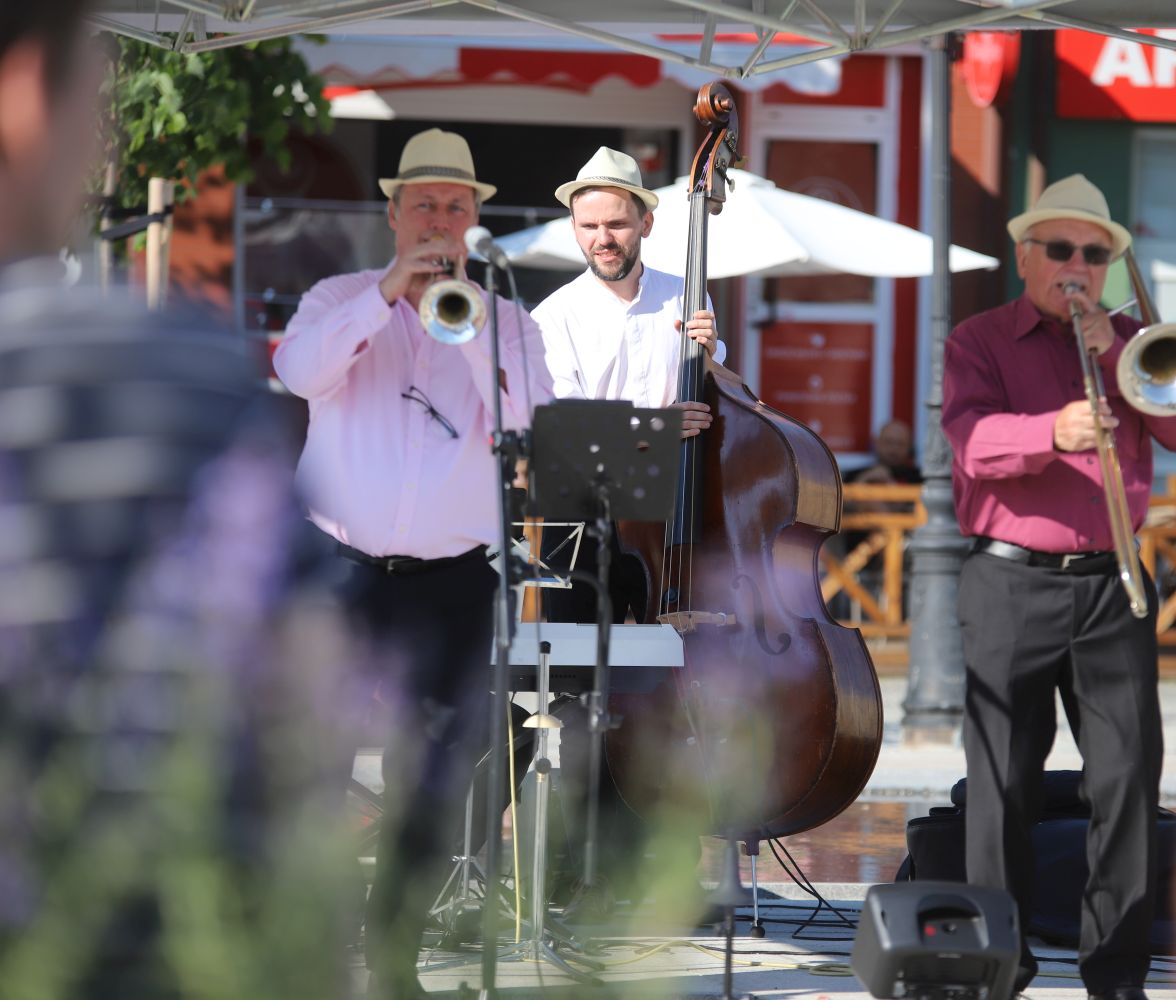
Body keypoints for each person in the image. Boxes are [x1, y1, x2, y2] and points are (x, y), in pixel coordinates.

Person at [1, 5, 358, 998]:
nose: (101, 139)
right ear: (30, 92)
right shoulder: (162, 364)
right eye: (99, 96)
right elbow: (298, 739)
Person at [272, 128, 551, 1000]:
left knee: (430, 778)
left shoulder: (504, 318)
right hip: (338, 566)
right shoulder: (338, 295)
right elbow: (296, 371)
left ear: (477, 221)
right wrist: (387, 298)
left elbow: (534, 416)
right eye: (424, 205)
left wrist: (458, 320)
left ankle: (392, 951)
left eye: (456, 206)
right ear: (392, 216)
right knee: (310, 766)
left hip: (452, 579)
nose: (439, 219)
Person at [941, 173, 1176, 1000]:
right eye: (1060, 250)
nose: (1077, 267)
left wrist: (1111, 352)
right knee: (999, 785)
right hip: (1008, 582)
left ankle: (1117, 975)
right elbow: (970, 443)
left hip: (1112, 585)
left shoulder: (1133, 341)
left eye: (1094, 255)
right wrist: (1049, 432)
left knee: (1128, 781)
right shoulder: (980, 338)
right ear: (1025, 256)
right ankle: (1000, 964)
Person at [532, 145, 721, 625]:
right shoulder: (553, 315)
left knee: (679, 668)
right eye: (588, 226)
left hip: (673, 506)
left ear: (646, 225)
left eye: (616, 224)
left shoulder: (687, 292)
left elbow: (726, 394)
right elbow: (566, 428)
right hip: (581, 510)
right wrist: (660, 425)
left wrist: (713, 357)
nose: (602, 239)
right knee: (578, 672)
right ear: (574, 228)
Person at [846, 419, 922, 486]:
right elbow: (842, 499)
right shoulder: (852, 476)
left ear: (910, 447)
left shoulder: (921, 479)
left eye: (900, 444)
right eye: (888, 442)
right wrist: (864, 479)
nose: (894, 449)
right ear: (876, 443)